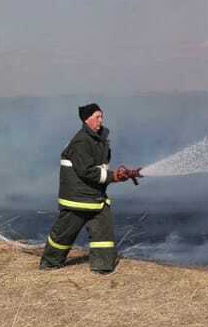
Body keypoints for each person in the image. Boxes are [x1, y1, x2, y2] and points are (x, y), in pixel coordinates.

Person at [39, 102, 141, 274]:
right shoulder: (81, 142)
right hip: (76, 199)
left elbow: (100, 168)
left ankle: (102, 268)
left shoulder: (99, 140)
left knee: (103, 234)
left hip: (95, 197)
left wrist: (117, 175)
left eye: (101, 116)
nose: (101, 120)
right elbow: (87, 171)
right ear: (86, 120)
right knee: (63, 235)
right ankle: (50, 263)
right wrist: (113, 177)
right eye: (97, 117)